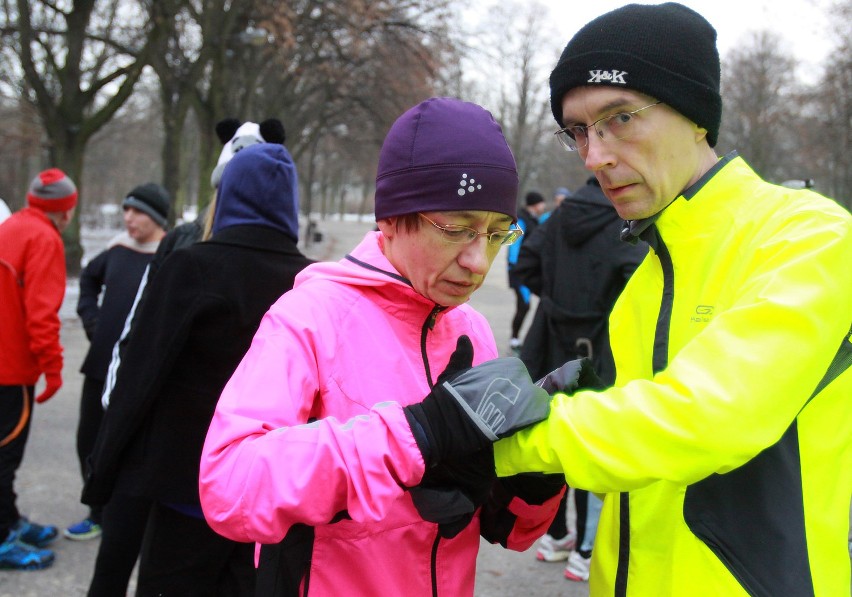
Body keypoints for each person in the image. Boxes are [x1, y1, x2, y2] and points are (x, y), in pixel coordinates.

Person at [488, 3, 852, 596]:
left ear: (696, 116)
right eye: (578, 130)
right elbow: (635, 459)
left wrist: (506, 443)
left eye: (620, 118)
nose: (595, 156)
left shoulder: (809, 236)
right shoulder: (643, 282)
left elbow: (707, 418)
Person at [198, 97, 566, 596]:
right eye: (458, 229)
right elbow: (228, 488)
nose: (478, 261)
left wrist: (533, 481)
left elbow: (501, 527)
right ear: (393, 217)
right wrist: (415, 435)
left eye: (497, 233)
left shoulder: (470, 329)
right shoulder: (310, 317)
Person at [81, 142, 314, 595]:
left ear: (227, 197)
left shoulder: (193, 267)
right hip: (269, 498)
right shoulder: (310, 281)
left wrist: (103, 470)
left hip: (188, 488)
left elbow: (140, 373)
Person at [513, 175, 646, 581]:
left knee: (553, 434)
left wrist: (556, 301)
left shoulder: (558, 216)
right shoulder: (624, 221)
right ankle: (585, 550)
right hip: (599, 347)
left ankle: (555, 536)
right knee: (593, 439)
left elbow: (526, 264)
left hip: (550, 340)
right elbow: (638, 281)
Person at [67, 183, 170, 541]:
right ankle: (97, 511)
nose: (128, 218)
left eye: (137, 211)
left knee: (130, 445)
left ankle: (129, 517)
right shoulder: (115, 251)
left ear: (157, 218)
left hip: (137, 375)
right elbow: (89, 282)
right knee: (88, 440)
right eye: (125, 210)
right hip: (99, 368)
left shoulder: (171, 257)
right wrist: (91, 319)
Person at [0, 168, 77, 570]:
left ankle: (9, 520)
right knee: (4, 455)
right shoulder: (44, 239)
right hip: (10, 371)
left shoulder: (10, 225)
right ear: (65, 212)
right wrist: (54, 368)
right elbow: (41, 314)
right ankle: (1, 538)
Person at [506, 190, 547, 354]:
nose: (543, 206)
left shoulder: (535, 220)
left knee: (530, 305)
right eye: (542, 203)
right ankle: (515, 339)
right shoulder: (520, 220)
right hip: (519, 272)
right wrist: (514, 265)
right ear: (536, 204)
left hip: (530, 271)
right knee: (524, 305)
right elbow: (511, 243)